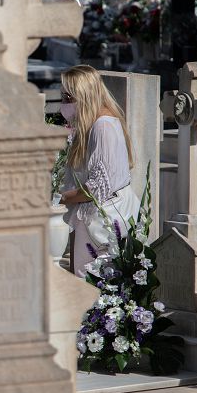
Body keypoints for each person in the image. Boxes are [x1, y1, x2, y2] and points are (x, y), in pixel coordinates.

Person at [58, 64, 139, 277]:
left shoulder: (103, 126)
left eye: (68, 98)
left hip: (105, 217)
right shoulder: (93, 125)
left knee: (95, 285)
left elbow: (97, 186)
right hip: (94, 214)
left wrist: (62, 197)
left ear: (84, 96)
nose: (63, 105)